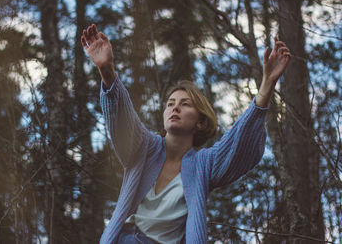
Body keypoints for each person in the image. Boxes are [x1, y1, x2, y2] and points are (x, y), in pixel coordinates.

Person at [81, 24, 291, 244]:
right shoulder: (144, 148)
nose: (175, 108)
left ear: (200, 122)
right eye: (170, 104)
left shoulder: (203, 164)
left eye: (185, 104)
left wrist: (267, 84)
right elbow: (124, 120)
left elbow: (238, 140)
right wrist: (107, 69)